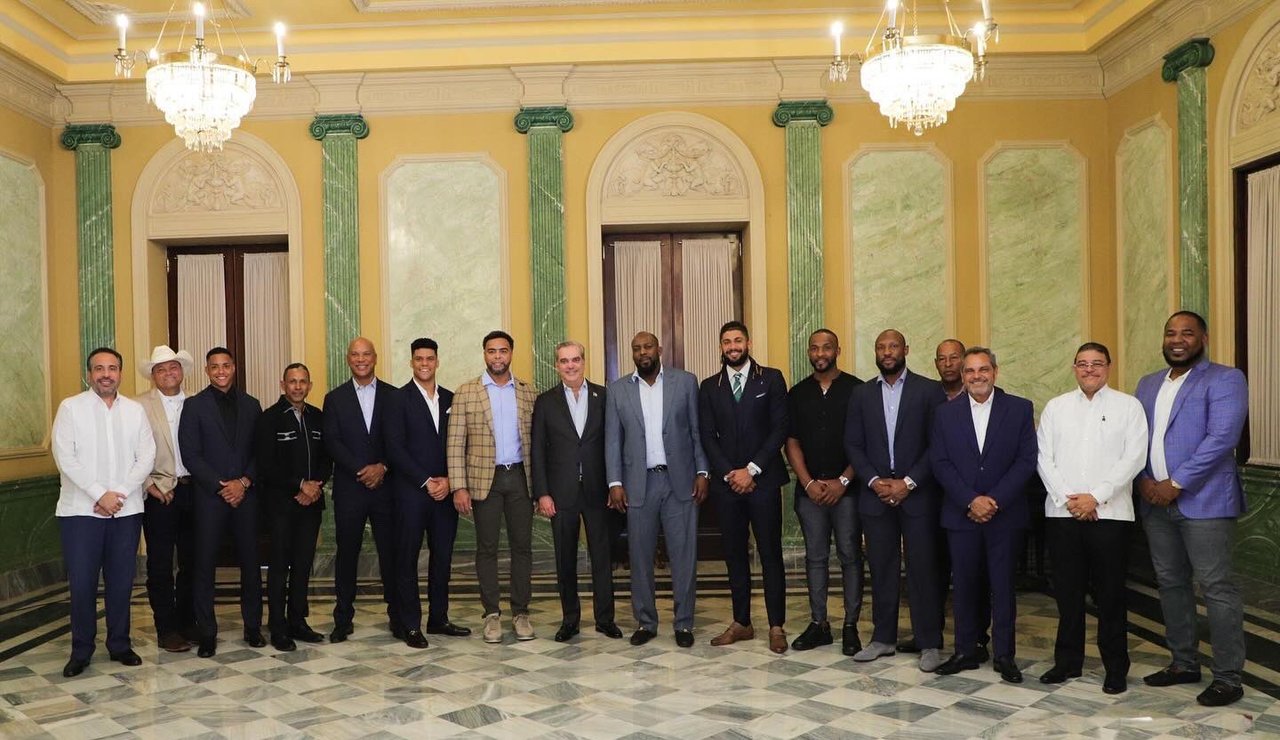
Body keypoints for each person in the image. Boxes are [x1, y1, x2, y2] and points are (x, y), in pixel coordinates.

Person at [1135, 311, 1249, 707]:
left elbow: (1222, 438)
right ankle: (1183, 662)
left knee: (1216, 587)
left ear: (1204, 338)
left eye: (1187, 333)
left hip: (1205, 501)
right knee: (1170, 583)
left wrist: (1176, 483)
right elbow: (1136, 437)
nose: (1177, 339)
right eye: (1170, 333)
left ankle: (1228, 677)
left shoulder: (1225, 378)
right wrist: (1144, 480)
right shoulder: (1148, 383)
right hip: (1154, 501)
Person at [1036, 342, 1147, 695]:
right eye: (1082, 363)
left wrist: (1095, 497)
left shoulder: (1128, 407)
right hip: (1062, 513)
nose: (1089, 369)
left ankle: (1115, 668)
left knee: (1111, 594)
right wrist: (1071, 500)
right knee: (1067, 594)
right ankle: (1067, 662)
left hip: (1110, 514)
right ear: (1074, 368)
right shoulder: (1056, 408)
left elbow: (1134, 458)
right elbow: (1043, 458)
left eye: (1097, 363)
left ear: (1108, 367)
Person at [931, 347, 1037, 683]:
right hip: (961, 515)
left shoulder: (1019, 409)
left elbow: (1026, 461)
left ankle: (1005, 655)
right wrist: (970, 500)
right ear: (963, 376)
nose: (977, 376)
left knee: (1003, 586)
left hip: (1004, 515)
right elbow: (940, 463)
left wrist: (993, 500)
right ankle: (965, 650)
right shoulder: (944, 414)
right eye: (970, 371)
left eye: (983, 369)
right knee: (963, 585)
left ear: (995, 371)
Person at [845, 329, 947, 672]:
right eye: (881, 347)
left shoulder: (929, 391)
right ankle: (883, 638)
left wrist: (908, 482)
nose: (887, 352)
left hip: (917, 495)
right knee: (882, 568)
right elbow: (853, 444)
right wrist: (875, 482)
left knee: (923, 569)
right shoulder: (861, 394)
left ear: (906, 349)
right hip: (876, 496)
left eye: (893, 346)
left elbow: (937, 444)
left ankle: (929, 641)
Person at [53, 348, 156, 678]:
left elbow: (147, 456)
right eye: (99, 368)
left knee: (121, 582)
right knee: (82, 584)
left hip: (126, 511)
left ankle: (120, 644)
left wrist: (118, 494)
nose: (106, 374)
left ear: (121, 373)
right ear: (89, 374)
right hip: (80, 512)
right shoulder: (71, 408)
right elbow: (65, 458)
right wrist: (100, 494)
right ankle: (81, 650)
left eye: (112, 368)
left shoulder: (135, 411)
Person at [605, 331, 709, 648]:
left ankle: (684, 624)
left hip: (680, 482)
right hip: (638, 484)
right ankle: (646, 622)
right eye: (637, 348)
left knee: (684, 556)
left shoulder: (686, 382)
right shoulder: (617, 390)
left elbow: (696, 431)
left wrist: (703, 471)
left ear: (659, 349)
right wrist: (615, 482)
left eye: (648, 346)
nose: (643, 352)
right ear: (632, 354)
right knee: (639, 557)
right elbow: (613, 440)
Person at [697, 320, 790, 653]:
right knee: (734, 554)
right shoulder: (710, 386)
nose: (732, 346)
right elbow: (707, 436)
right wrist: (729, 473)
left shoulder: (772, 378)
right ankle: (742, 623)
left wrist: (751, 470)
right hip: (727, 487)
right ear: (721, 347)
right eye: (727, 341)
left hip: (763, 481)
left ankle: (776, 625)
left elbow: (780, 428)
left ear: (748, 343)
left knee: (770, 553)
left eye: (738, 340)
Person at [448, 330, 538, 643]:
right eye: (491, 351)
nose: (497, 356)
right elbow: (455, 443)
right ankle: (492, 615)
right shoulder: (466, 392)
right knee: (486, 548)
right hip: (484, 481)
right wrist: (459, 486)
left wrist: (540, 486)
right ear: (484, 354)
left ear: (511, 353)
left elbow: (537, 442)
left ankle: (521, 613)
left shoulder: (528, 392)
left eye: (502, 351)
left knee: (522, 547)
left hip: (520, 479)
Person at [532, 341, 621, 642]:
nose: (570, 365)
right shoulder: (545, 402)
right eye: (564, 361)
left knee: (602, 557)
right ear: (556, 365)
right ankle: (570, 620)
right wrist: (542, 493)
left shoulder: (604, 397)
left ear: (584, 361)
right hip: (561, 494)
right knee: (565, 559)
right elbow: (537, 451)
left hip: (598, 491)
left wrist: (614, 483)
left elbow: (614, 443)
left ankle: (605, 619)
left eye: (575, 360)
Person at [385, 338, 470, 649]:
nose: (424, 363)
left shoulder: (451, 398)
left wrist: (449, 480)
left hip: (445, 494)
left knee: (442, 558)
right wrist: (425, 481)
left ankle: (439, 618)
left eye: (429, 358)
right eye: (419, 358)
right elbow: (394, 448)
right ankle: (410, 624)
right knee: (406, 559)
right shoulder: (397, 399)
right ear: (411, 362)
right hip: (410, 494)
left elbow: (460, 443)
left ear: (437, 361)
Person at [179, 347, 264, 658]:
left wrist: (244, 482)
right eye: (214, 366)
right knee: (204, 566)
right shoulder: (193, 406)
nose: (220, 371)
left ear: (234, 367)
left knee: (251, 564)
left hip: (246, 497)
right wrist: (221, 486)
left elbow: (261, 451)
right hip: (209, 499)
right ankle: (207, 633)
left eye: (225, 365)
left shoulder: (252, 405)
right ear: (206, 371)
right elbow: (190, 454)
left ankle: (253, 628)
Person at [784, 329, 863, 656]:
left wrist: (843, 481)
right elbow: (791, 442)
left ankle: (850, 625)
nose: (820, 353)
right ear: (809, 352)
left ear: (837, 351)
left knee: (849, 555)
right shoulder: (797, 393)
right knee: (815, 557)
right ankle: (819, 624)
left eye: (826, 347)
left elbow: (865, 441)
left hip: (849, 491)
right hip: (811, 492)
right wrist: (808, 483)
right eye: (814, 348)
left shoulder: (857, 390)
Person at [323, 337, 399, 643]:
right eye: (355, 354)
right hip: (350, 489)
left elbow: (400, 439)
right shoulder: (334, 398)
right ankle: (343, 619)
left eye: (366, 354)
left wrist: (383, 466)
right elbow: (332, 441)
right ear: (348, 359)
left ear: (375, 358)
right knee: (347, 554)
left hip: (386, 488)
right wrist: (362, 470)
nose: (361, 359)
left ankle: (397, 615)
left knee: (390, 553)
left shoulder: (394, 396)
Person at [254, 363, 332, 652]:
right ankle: (277, 627)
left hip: (311, 504)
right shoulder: (269, 419)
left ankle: (298, 621)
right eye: (292, 381)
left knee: (302, 565)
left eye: (302, 382)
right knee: (279, 567)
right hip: (280, 506)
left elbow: (327, 458)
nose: (297, 387)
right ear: (282, 385)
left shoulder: (318, 417)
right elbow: (266, 465)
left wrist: (314, 486)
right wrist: (299, 485)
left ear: (309, 385)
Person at [134, 345, 198, 653]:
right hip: (159, 494)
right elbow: (129, 451)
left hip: (194, 491)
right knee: (160, 565)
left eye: (173, 367)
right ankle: (166, 629)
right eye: (161, 369)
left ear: (182, 371)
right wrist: (149, 485)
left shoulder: (197, 402)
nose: (168, 373)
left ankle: (187, 622)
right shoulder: (137, 406)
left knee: (192, 562)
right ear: (153, 375)